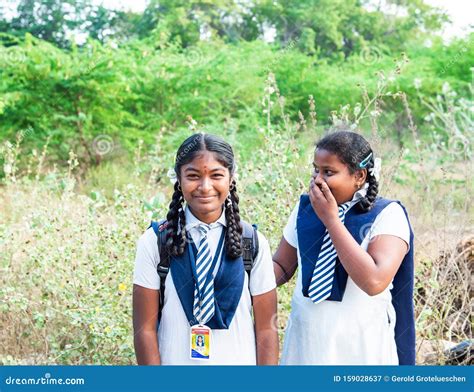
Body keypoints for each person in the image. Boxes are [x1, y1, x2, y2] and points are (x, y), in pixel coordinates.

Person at [133, 133, 278, 365]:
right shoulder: (155, 241)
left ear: (231, 179)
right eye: (193, 176)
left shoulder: (251, 241)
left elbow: (266, 330)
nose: (205, 186)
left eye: (216, 175)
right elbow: (144, 331)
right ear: (178, 180)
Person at [273, 130, 415, 365]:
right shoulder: (306, 210)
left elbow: (374, 282)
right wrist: (242, 277)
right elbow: (281, 266)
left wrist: (331, 220)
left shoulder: (388, 214)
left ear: (359, 175)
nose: (318, 179)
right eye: (315, 170)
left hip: (360, 347)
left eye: (328, 172)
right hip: (306, 342)